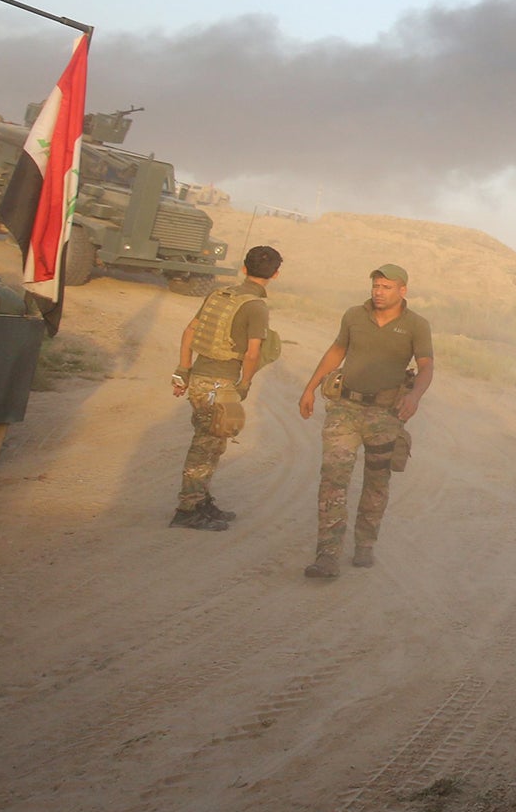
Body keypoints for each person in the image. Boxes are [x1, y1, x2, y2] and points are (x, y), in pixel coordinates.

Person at [297, 263, 434, 579]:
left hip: (386, 414)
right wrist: (310, 387)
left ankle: (365, 543)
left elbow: (426, 366)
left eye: (387, 287)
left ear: (402, 291)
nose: (378, 291)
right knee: (333, 480)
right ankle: (327, 555)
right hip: (345, 407)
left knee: (376, 481)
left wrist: (414, 397)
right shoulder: (353, 316)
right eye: (376, 285)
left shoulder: (416, 325)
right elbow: (337, 351)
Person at [169, 245, 284, 530]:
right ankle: (187, 509)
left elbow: (189, 331)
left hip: (199, 378)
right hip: (221, 385)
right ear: (276, 275)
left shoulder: (219, 295)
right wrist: (244, 384)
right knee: (205, 447)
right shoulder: (256, 307)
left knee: (213, 442)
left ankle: (200, 500)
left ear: (244, 268)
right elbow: (253, 353)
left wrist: (182, 371)